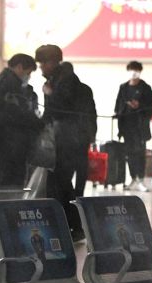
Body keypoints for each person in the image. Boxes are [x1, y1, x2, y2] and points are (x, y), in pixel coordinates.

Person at [36, 44, 96, 241]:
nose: (41, 68)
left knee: (60, 184)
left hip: (67, 142)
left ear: (52, 62)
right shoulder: (70, 83)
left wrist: (50, 95)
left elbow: (59, 111)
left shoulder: (62, 85)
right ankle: (72, 226)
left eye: (42, 63)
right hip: (77, 141)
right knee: (64, 185)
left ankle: (73, 226)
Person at [0, 53, 45, 187]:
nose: (29, 76)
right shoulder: (11, 86)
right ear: (19, 67)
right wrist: (39, 124)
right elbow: (19, 114)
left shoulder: (3, 82)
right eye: (29, 72)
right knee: (12, 183)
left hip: (8, 142)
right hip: (12, 142)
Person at [115, 61, 152, 192]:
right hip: (126, 126)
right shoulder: (123, 87)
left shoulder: (145, 87)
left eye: (136, 70)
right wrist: (126, 107)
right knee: (129, 153)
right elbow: (117, 106)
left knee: (140, 153)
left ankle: (141, 179)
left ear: (140, 71)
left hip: (140, 127)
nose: (134, 73)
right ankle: (132, 178)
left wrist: (139, 106)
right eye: (131, 70)